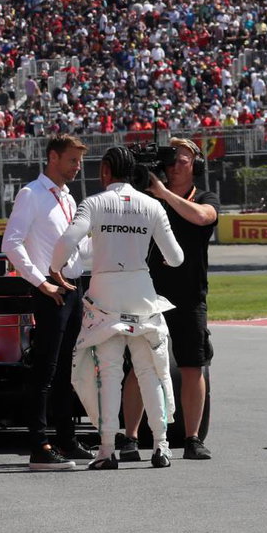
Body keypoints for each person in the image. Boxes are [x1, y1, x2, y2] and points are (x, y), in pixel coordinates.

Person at [50, 146, 183, 469]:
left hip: (105, 292)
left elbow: (68, 241)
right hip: (141, 291)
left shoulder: (94, 203)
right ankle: (161, 446)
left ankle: (107, 449)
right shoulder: (151, 205)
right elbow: (177, 257)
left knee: (107, 374)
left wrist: (55, 268)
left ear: (106, 171)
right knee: (149, 369)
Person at [119, 138, 221, 462]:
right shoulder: (146, 199)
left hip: (190, 295)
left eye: (183, 161)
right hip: (148, 294)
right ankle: (131, 438)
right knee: (138, 366)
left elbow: (203, 217)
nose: (176, 165)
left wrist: (164, 194)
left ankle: (192, 438)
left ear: (196, 167)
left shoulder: (204, 197)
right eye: (171, 160)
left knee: (193, 367)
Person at [2, 135, 93, 469]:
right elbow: (11, 243)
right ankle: (39, 444)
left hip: (73, 289)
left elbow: (78, 246)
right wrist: (41, 283)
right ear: (53, 157)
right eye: (72, 160)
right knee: (46, 371)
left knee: (68, 370)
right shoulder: (32, 194)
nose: (77, 167)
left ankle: (66, 439)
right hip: (49, 290)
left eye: (79, 161)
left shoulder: (69, 197)